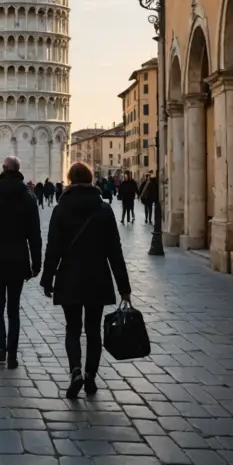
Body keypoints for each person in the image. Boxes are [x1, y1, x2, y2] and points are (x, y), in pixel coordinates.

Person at [41, 162, 132, 399]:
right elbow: (115, 250)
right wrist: (124, 287)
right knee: (93, 329)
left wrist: (47, 278)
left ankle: (75, 372)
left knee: (73, 328)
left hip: (69, 275)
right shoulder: (104, 210)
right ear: (91, 179)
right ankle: (91, 375)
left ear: (70, 180)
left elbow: (53, 248)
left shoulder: (61, 209)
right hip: (97, 276)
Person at [0, 156, 42, 369]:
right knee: (13, 308)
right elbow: (35, 234)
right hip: (19, 258)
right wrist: (36, 262)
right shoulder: (28, 196)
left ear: (3, 169)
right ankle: (12, 353)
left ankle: (1, 347)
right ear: (18, 170)